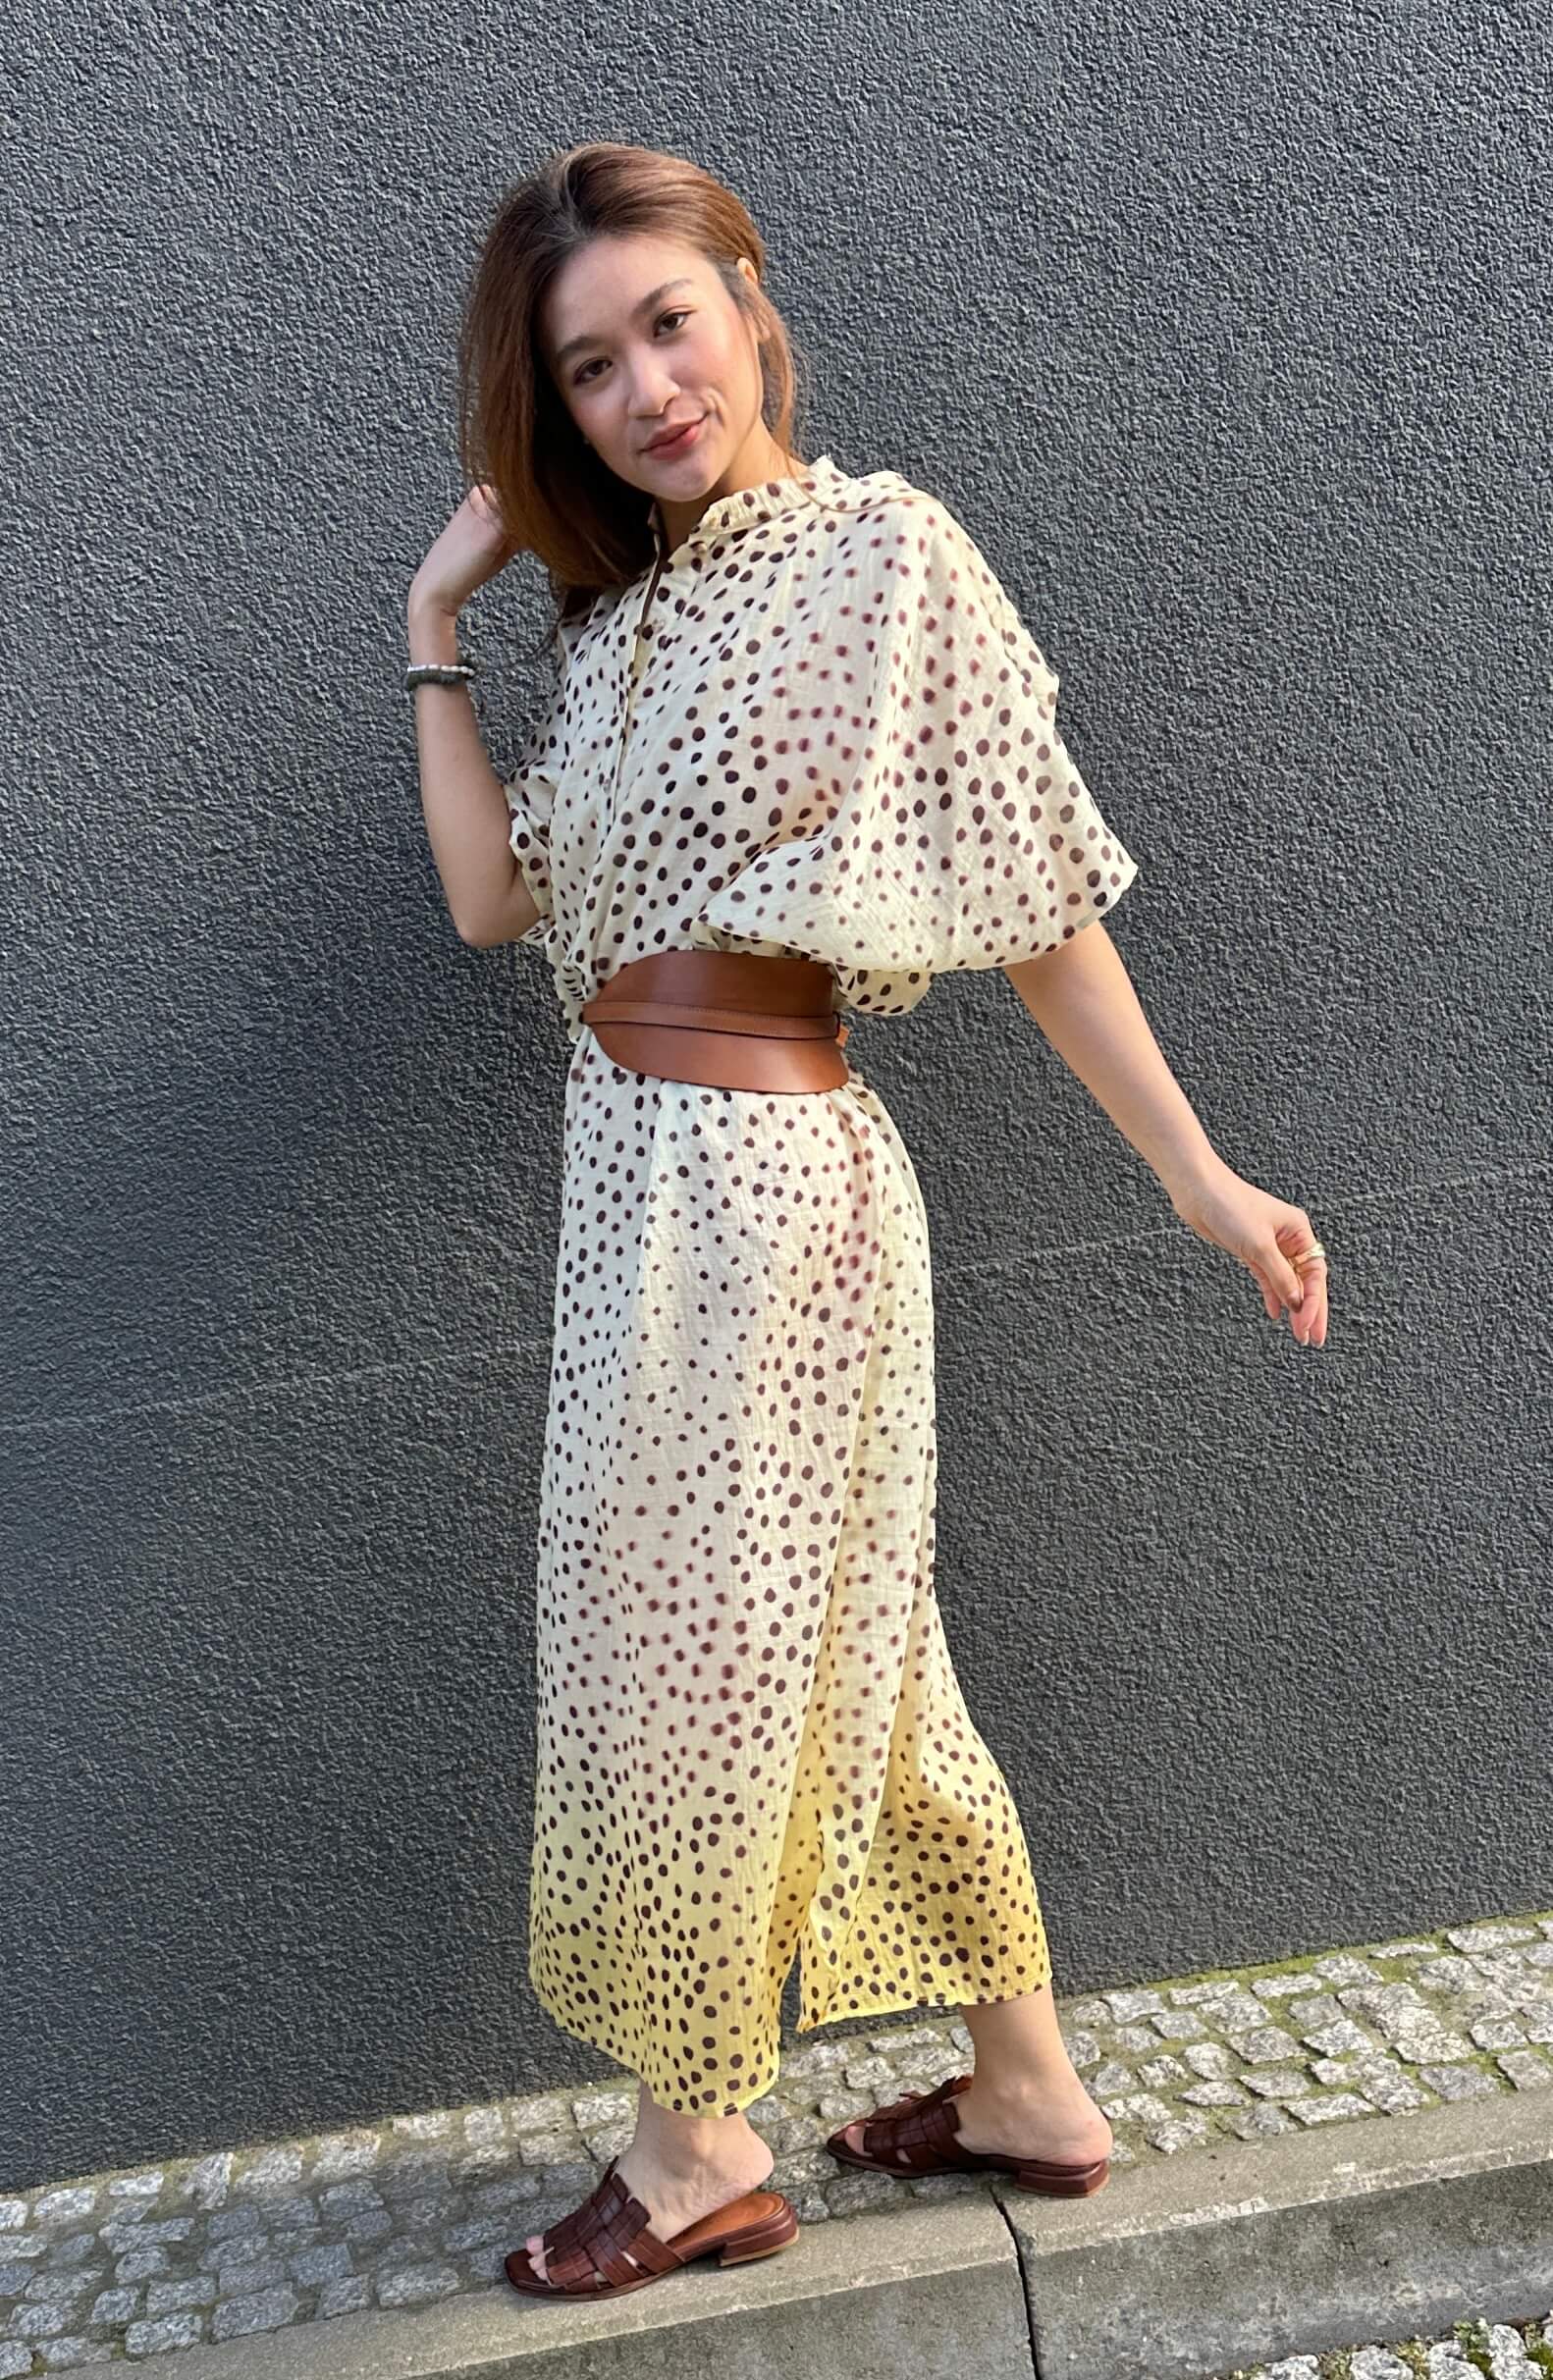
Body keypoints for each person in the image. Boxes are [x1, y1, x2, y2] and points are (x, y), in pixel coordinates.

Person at [405, 141, 1329, 2301]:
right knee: (860, 1663)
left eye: (668, 322)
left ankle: (692, 2146)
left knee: (678, 1670)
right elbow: (489, 902)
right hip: (636, 1195)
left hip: (764, 1197)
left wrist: (1195, 1174)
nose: (646, 387)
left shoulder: (881, 554)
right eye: (588, 365)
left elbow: (1036, 899)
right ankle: (1027, 2088)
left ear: (747, 303)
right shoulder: (613, 634)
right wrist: (434, 632)